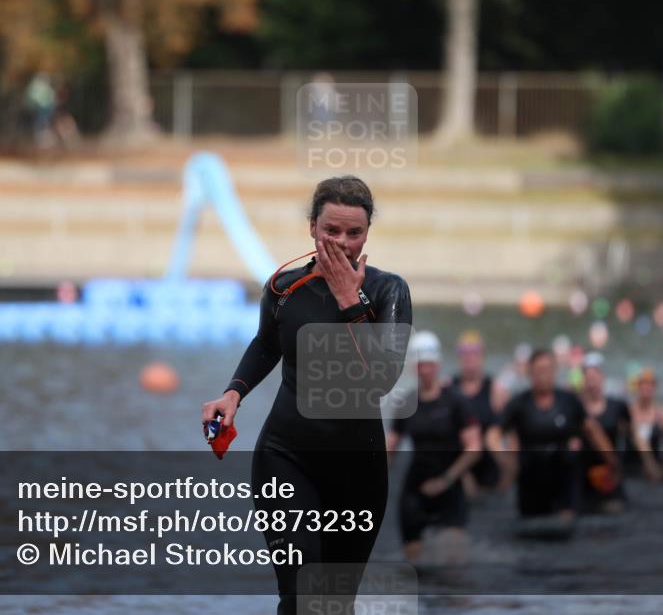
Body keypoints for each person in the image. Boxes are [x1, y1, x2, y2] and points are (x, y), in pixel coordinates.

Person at [200, 176, 412, 615]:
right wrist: (233, 394)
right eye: (331, 230)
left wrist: (348, 299)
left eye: (354, 233)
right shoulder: (283, 288)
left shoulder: (389, 291)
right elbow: (265, 344)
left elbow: (382, 378)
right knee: (301, 597)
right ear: (312, 227)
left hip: (358, 468)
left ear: (367, 232)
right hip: (287, 457)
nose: (342, 242)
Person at [386, 331, 482, 564]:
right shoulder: (406, 403)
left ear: (437, 364)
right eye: (421, 366)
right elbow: (391, 448)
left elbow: (474, 447)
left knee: (451, 563)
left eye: (429, 365)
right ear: (414, 367)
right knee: (415, 563)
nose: (425, 371)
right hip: (415, 488)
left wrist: (447, 479)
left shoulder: (455, 401)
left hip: (449, 485)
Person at [488, 348, 617, 520]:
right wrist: (505, 460)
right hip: (531, 480)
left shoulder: (568, 401)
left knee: (565, 523)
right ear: (529, 373)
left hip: (564, 478)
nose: (543, 375)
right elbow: (492, 435)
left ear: (555, 371)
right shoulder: (519, 404)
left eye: (547, 370)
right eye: (538, 370)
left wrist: (612, 461)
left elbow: (593, 431)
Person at [451, 330, 510, 498]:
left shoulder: (496, 391)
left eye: (474, 353)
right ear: (459, 357)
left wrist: (509, 471)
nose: (469, 358)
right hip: (457, 469)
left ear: (482, 355)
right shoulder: (448, 388)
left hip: (490, 472)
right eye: (464, 353)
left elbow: (511, 434)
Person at [577, 352, 630, 513]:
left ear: (602, 377)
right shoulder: (575, 408)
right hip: (583, 475)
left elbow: (630, 437)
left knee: (614, 510)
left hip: (610, 473)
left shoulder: (617, 406)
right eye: (588, 377)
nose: (592, 382)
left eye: (595, 376)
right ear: (583, 379)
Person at [626, 367, 663, 482]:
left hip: (656, 467)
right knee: (637, 434)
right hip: (632, 467)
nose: (646, 388)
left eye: (650, 385)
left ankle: (654, 470)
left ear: (655, 388)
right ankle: (651, 468)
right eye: (643, 384)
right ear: (637, 387)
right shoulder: (628, 412)